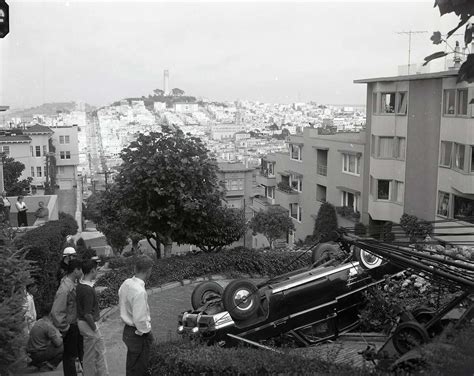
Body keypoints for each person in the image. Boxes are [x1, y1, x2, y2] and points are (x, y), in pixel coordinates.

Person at [118, 255, 154, 376]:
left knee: (131, 367)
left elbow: (120, 295)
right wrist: (147, 331)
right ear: (148, 271)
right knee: (140, 369)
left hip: (127, 330)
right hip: (138, 334)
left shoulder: (126, 283)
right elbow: (139, 319)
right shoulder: (139, 291)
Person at [51, 259, 84, 376]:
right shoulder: (65, 289)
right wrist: (66, 328)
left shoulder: (71, 285)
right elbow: (56, 311)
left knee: (75, 355)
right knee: (70, 358)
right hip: (70, 327)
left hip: (74, 325)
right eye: (80, 270)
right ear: (75, 270)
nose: (82, 273)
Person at [77, 259, 109, 376]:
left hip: (83, 323)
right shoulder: (87, 290)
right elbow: (87, 313)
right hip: (88, 324)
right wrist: (95, 328)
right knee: (96, 353)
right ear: (92, 270)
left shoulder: (81, 285)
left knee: (91, 353)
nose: (97, 271)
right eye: (96, 269)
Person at [27, 302, 63, 371]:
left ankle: (38, 364)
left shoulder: (38, 322)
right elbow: (58, 343)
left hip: (32, 353)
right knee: (64, 346)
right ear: (51, 313)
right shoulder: (48, 325)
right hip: (39, 353)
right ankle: (49, 366)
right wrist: (58, 332)